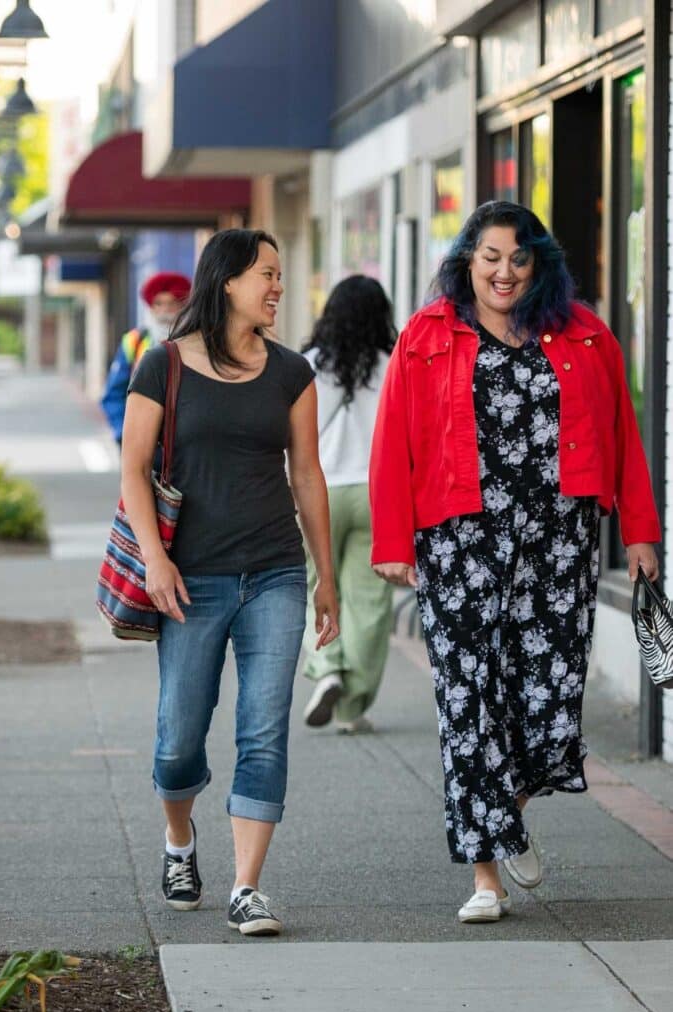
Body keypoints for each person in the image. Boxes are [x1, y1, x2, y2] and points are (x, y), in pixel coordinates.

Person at [369, 200, 660, 924]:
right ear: (467, 258)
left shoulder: (584, 334)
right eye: (490, 256)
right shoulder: (427, 333)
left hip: (558, 542)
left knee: (550, 709)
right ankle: (485, 877)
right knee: (467, 702)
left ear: (539, 265)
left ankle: (506, 815)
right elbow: (392, 438)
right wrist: (391, 542)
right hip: (458, 538)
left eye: (518, 258)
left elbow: (623, 433)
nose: (503, 271)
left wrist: (639, 531)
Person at [120, 229, 339, 936]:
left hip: (274, 571)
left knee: (263, 730)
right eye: (267, 275)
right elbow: (133, 469)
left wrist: (325, 578)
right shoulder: (164, 366)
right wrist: (155, 559)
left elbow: (306, 475)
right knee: (179, 732)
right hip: (191, 579)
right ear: (227, 281)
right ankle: (180, 841)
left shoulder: (290, 372)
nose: (278, 286)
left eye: (280, 274)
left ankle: (248, 887)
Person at [301, 276, 396, 734]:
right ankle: (352, 706)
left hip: (315, 491)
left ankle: (328, 669)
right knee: (369, 600)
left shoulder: (305, 366)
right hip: (374, 493)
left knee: (315, 587)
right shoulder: (393, 365)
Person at [101, 272, 191, 446]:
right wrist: (123, 434)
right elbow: (114, 393)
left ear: (183, 306)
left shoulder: (197, 341)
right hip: (143, 440)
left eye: (172, 303)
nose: (165, 310)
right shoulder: (134, 341)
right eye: (159, 304)